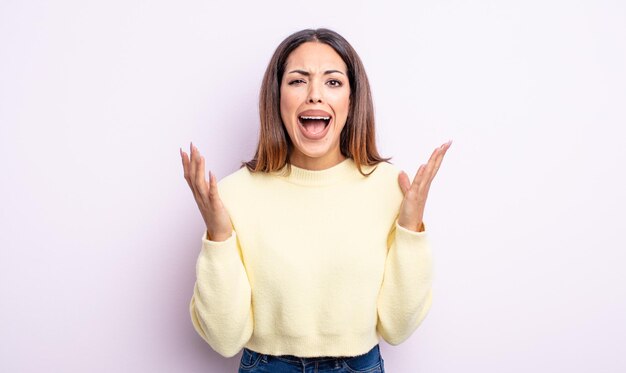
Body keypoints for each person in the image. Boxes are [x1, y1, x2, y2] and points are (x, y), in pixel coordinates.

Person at [180, 28, 451, 373]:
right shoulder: (234, 194)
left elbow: (396, 330)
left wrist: (410, 228)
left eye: (333, 82)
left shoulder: (390, 188)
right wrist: (218, 235)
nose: (314, 96)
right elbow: (225, 339)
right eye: (297, 81)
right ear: (277, 97)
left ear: (352, 100)